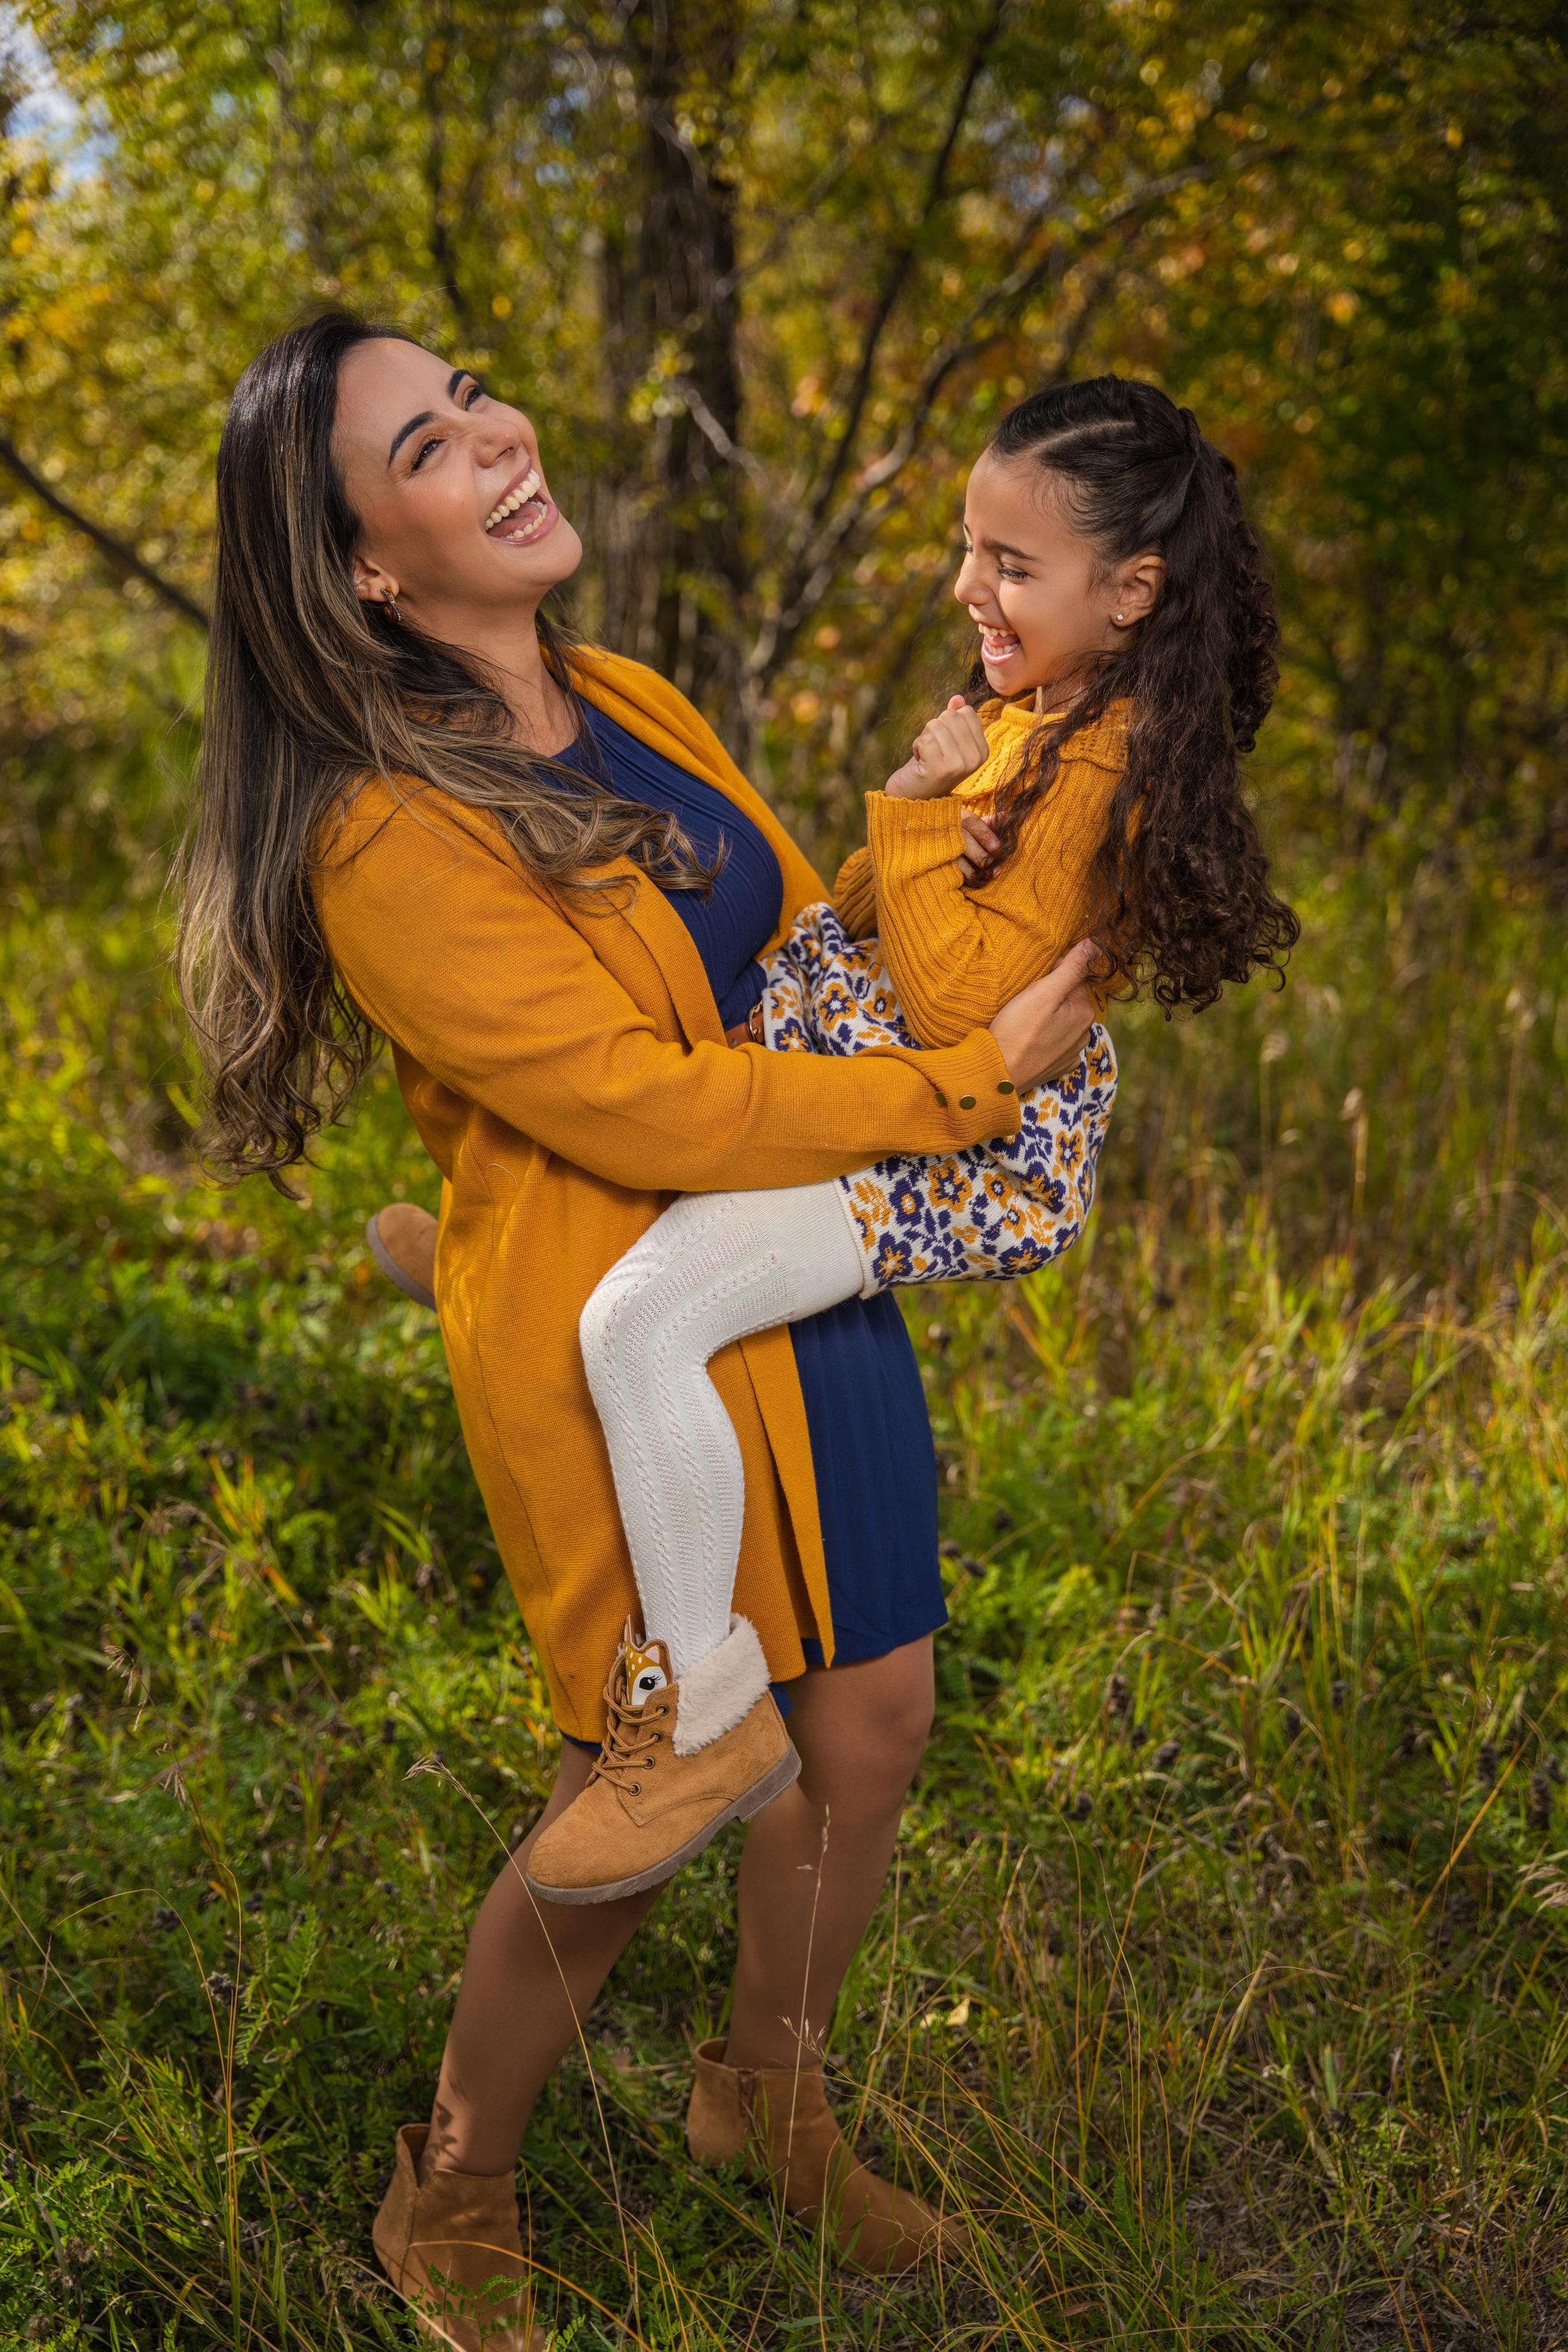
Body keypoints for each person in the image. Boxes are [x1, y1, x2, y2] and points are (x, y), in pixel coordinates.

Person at [175, 309, 1107, 2352]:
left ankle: (763, 2099)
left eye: (475, 394)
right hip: (626, 1330)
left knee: (868, 1725)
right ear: (362, 565)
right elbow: (638, 1105)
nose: (499, 435)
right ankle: (457, 2183)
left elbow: (789, 964)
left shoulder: (630, 697)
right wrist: (972, 1090)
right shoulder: (383, 832)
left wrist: (980, 889)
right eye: (428, 444)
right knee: (672, 1778)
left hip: (802, 1259)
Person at [369, 379, 1298, 1920]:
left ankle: (702, 1712)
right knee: (673, 1135)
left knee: (640, 1319)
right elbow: (867, 913)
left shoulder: (1095, 777)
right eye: (966, 548)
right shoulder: (1045, 720)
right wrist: (915, 819)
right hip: (920, 1088)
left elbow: (946, 1004)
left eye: (1010, 563)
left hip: (956, 1148)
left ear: (1130, 593)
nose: (967, 589)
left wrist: (918, 804)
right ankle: (492, 1268)